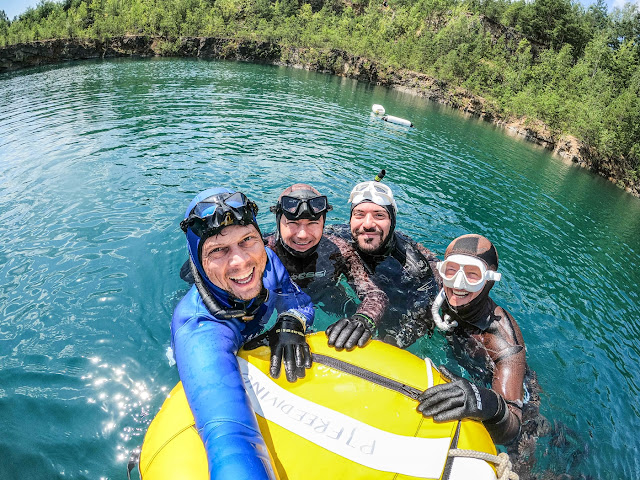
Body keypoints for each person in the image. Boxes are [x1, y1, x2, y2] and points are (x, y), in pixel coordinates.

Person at [171, 187, 314, 480]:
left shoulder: (268, 260)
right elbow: (231, 440)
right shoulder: (199, 330)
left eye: (247, 240)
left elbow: (292, 295)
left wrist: (292, 320)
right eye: (218, 250)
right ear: (199, 261)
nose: (241, 262)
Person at [417, 234, 526, 446]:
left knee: (522, 453)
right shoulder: (441, 296)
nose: (458, 283)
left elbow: (513, 430)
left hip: (506, 390)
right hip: (462, 367)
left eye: (472, 274)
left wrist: (485, 402)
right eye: (451, 270)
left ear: (489, 280)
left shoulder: (501, 339)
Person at [264, 183, 389, 350]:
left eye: (312, 223)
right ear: (279, 221)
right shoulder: (262, 252)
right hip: (276, 306)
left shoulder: (338, 250)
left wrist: (363, 319)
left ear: (323, 222)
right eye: (293, 222)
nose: (302, 234)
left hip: (327, 298)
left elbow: (375, 294)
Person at [326, 175, 440, 348]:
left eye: (379, 215)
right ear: (350, 219)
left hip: (399, 297)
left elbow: (429, 310)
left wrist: (390, 344)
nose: (368, 224)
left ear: (392, 222)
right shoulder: (337, 236)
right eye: (359, 214)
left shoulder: (415, 265)